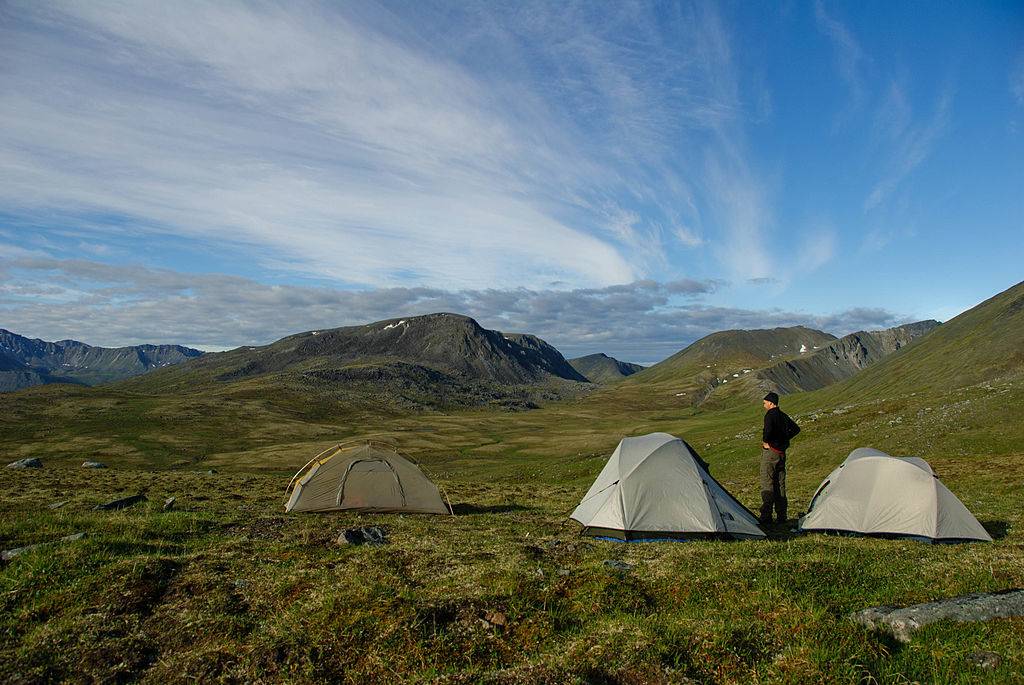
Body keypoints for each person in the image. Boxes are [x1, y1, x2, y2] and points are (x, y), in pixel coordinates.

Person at [759, 391, 799, 526]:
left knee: (767, 482)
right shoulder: (783, 415)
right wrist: (784, 439)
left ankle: (766, 517)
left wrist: (767, 442)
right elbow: (796, 429)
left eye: (765, 403)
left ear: (771, 403)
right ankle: (782, 516)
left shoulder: (770, 415)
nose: (763, 405)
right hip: (781, 453)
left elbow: (768, 431)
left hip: (771, 453)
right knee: (780, 484)